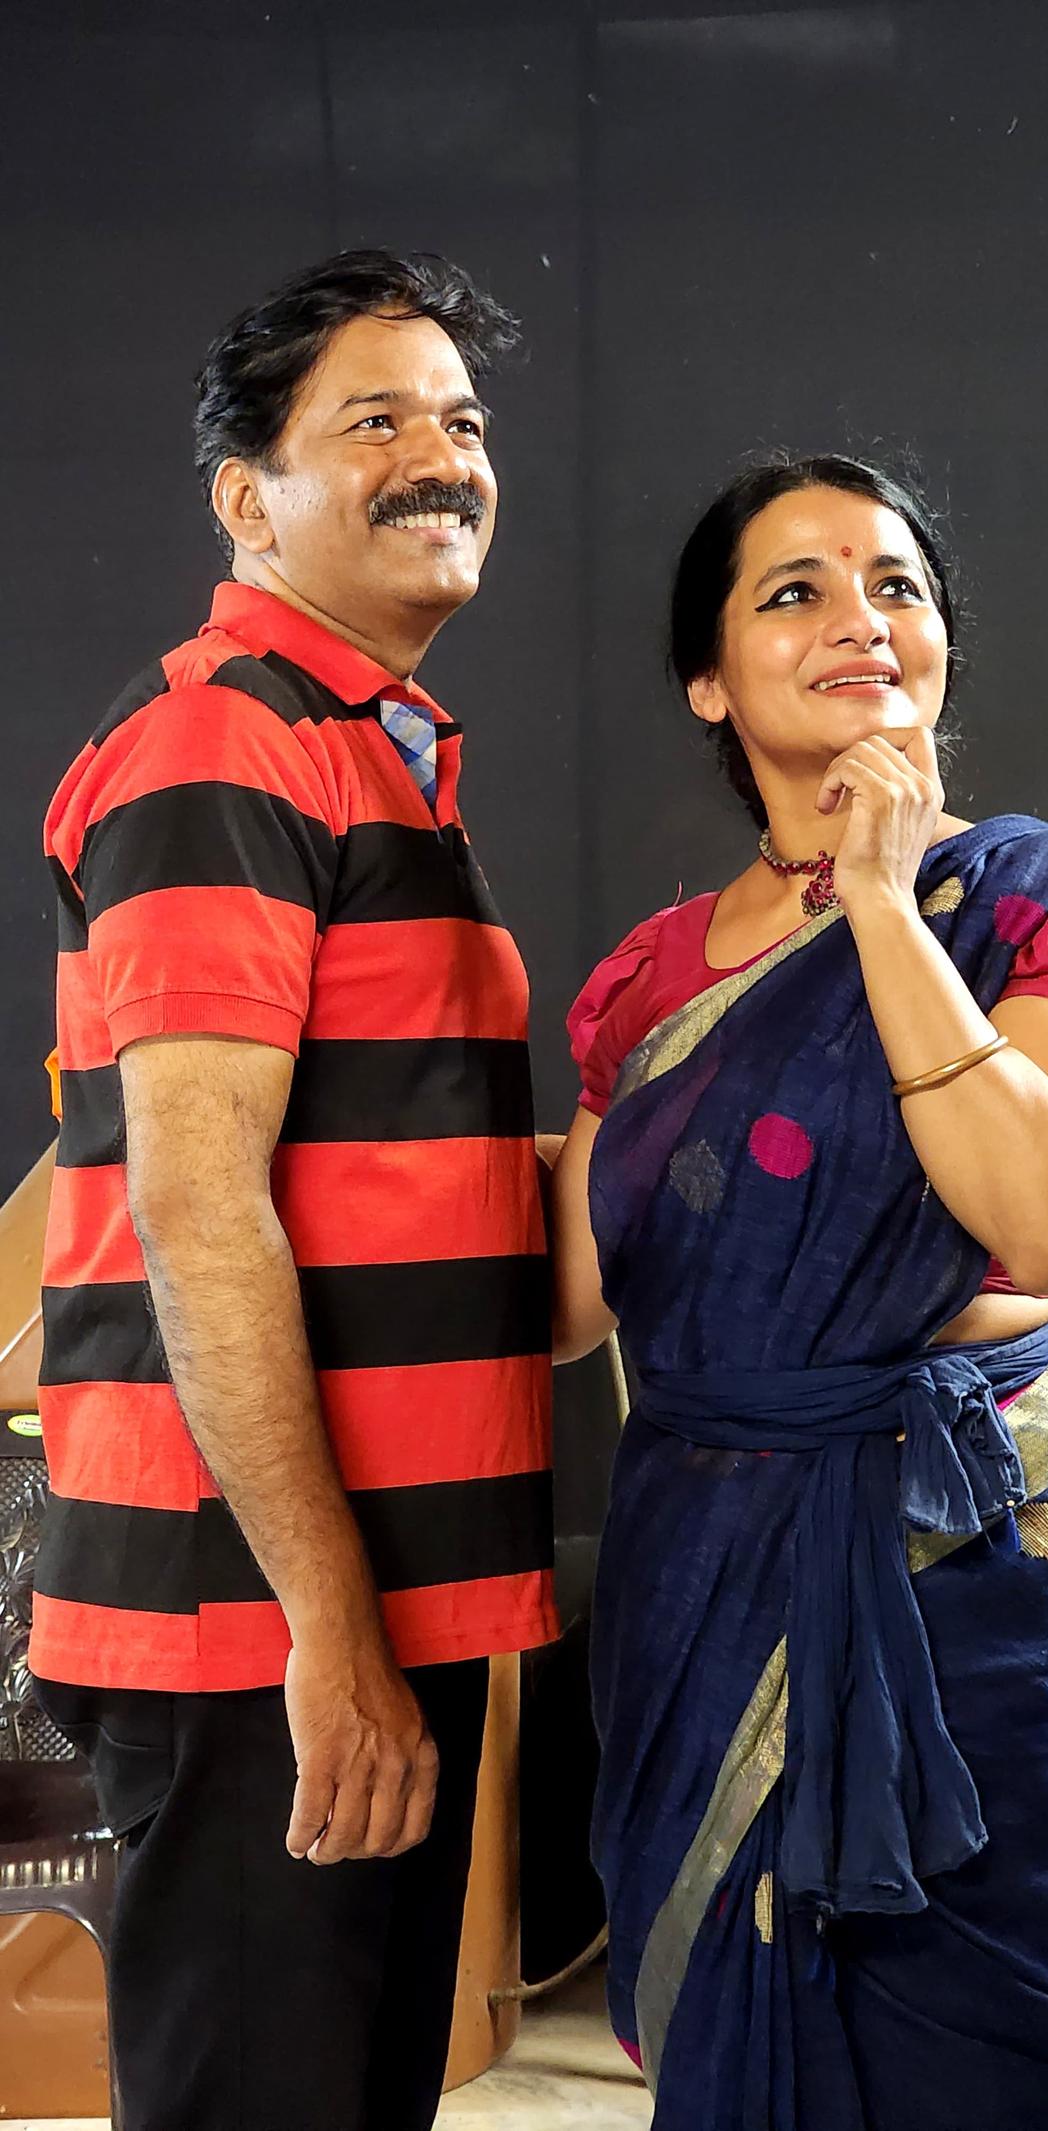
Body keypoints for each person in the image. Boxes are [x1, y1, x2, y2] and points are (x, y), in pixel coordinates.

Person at [549, 455, 1048, 2129]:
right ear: (709, 675)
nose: (860, 620)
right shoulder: (651, 983)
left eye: (897, 585)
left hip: (983, 1567)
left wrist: (889, 909)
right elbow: (560, 1294)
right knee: (743, 2035)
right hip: (710, 1561)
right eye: (795, 591)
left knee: (1009, 2057)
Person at [31, 248, 558, 2131]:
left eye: (465, 421)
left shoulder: (378, 757)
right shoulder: (223, 745)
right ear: (247, 497)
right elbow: (198, 1201)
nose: (443, 455)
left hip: (361, 1596)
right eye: (378, 420)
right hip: (255, 1613)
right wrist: (328, 1624)